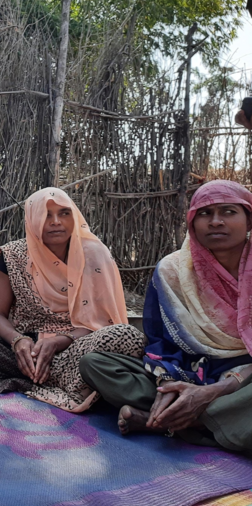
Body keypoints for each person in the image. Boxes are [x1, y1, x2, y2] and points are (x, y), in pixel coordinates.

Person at [0, 188, 145, 412]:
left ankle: (54, 376)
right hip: (25, 349)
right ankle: (59, 377)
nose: (56, 222)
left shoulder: (94, 254)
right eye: (46, 214)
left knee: (126, 336)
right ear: (32, 218)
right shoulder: (13, 255)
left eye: (64, 213)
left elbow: (105, 321)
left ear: (75, 215)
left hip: (78, 346)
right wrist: (18, 341)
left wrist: (60, 341)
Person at [80, 181, 252, 453]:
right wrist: (170, 383)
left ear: (249, 220)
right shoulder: (172, 272)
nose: (216, 221)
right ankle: (191, 416)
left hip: (243, 381)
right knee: (96, 364)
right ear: (192, 223)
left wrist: (214, 392)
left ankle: (171, 421)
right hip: (190, 370)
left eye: (228, 212)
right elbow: (161, 342)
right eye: (205, 213)